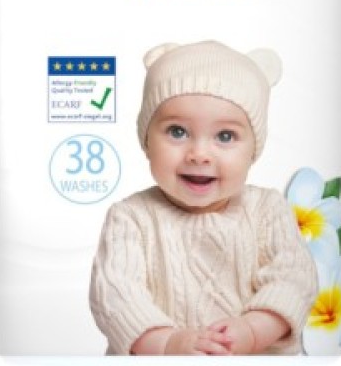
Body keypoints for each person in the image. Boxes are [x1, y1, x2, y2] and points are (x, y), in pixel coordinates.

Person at [90, 40, 316, 355]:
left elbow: (295, 279)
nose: (199, 154)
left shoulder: (267, 209)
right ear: (147, 140)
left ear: (253, 150)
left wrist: (253, 330)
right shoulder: (130, 217)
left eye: (225, 136)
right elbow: (116, 296)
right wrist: (167, 343)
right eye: (177, 132)